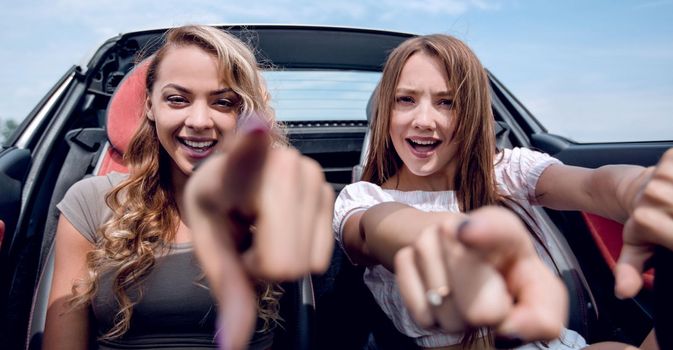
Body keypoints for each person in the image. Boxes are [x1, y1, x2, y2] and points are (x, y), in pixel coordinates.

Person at [333, 34, 668, 349]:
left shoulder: (508, 171)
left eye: (446, 102)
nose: (424, 119)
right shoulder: (364, 198)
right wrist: (448, 237)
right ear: (385, 112)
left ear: (473, 113)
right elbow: (378, 226)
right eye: (405, 99)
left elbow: (594, 187)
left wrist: (638, 189)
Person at [43, 25, 333, 350]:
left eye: (222, 103)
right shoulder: (90, 202)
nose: (199, 121)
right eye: (177, 99)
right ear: (151, 106)